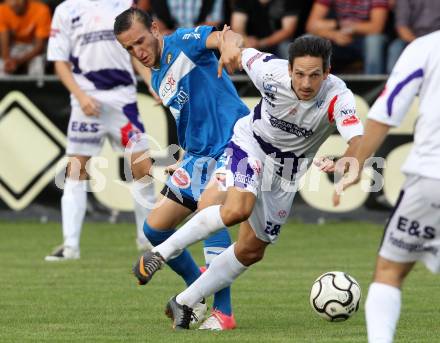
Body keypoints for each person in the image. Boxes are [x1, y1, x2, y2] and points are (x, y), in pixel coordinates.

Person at [131, 34, 364, 330]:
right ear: (289, 69)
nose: (306, 83)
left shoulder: (337, 97)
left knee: (252, 250)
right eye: (300, 74)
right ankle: (160, 253)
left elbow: (356, 138)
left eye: (315, 75)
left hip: (285, 174)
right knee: (236, 209)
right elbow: (234, 47)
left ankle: (185, 301)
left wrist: (350, 160)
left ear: (327, 73)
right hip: (250, 145)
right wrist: (228, 49)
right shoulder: (269, 70)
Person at [114, 8, 249, 330]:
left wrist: (230, 46)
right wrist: (184, 157)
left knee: (208, 210)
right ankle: (197, 288)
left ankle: (224, 313)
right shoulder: (159, 77)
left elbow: (222, 36)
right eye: (130, 49)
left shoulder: (184, 42)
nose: (139, 52)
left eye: (140, 42)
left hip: (232, 142)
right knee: (154, 229)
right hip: (197, 157)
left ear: (156, 29)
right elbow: (192, 118)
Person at [334, 30, 440, 343]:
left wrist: (356, 164)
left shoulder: (426, 47)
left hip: (431, 176)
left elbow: (386, 110)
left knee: (390, 272)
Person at [44, 0, 156, 261]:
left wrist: (152, 81)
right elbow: (59, 61)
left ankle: (147, 238)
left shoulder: (124, 3)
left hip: (123, 99)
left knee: (142, 165)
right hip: (87, 100)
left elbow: (135, 49)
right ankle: (70, 246)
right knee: (76, 168)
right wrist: (81, 96)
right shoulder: (65, 10)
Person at [306, 0, 388, 74]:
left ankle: (373, 86)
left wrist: (352, 28)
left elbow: (377, 27)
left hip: (364, 40)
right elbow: (311, 25)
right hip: (337, 37)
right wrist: (335, 33)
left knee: (374, 41)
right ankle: (312, 84)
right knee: (308, 39)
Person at [230, 0, 303, 59]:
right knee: (235, 45)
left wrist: (261, 43)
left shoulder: (289, 2)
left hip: (277, 43)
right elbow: (237, 27)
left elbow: (287, 31)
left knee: (287, 47)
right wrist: (246, 41)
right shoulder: (242, 1)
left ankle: (289, 73)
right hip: (249, 43)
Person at [386, 0, 440, 73]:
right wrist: (419, 44)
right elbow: (402, 27)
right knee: (395, 48)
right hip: (412, 39)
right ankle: (393, 82)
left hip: (437, 39)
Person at [0, 0, 51, 76]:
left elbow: (40, 47)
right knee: (2, 65)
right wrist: (7, 60)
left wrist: (18, 62)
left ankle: (36, 88)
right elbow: (4, 42)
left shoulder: (41, 9)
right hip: (15, 46)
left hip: (34, 48)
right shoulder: (2, 9)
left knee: (37, 64)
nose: (14, 3)